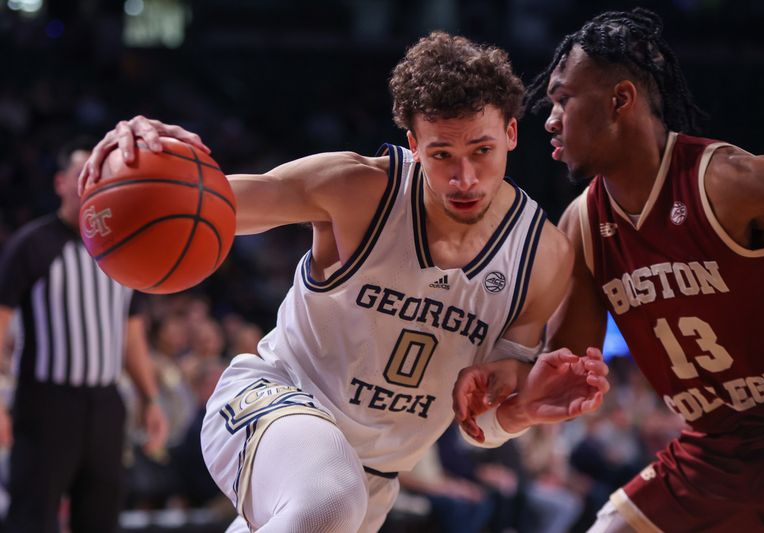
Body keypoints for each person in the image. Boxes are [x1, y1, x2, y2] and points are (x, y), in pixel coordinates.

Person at [79, 32, 609, 533]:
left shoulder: (542, 255)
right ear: (414, 143)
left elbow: (485, 426)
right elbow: (210, 204)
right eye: (442, 155)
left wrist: (516, 410)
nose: (464, 178)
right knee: (330, 496)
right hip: (272, 404)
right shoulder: (358, 189)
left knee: (334, 500)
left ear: (512, 134)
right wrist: (135, 162)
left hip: (373, 480)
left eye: (482, 150)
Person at [455, 8, 764, 533]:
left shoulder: (734, 184)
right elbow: (562, 367)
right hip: (713, 454)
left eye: (563, 99)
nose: (548, 120)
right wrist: (513, 404)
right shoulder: (582, 226)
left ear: (620, 100)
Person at [0, 138, 168, 532]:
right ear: (60, 183)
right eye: (81, 175)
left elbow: (132, 334)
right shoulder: (33, 244)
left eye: (99, 177)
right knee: (32, 516)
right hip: (45, 401)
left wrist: (150, 397)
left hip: (107, 402)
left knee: (101, 516)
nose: (90, 184)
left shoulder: (123, 248)